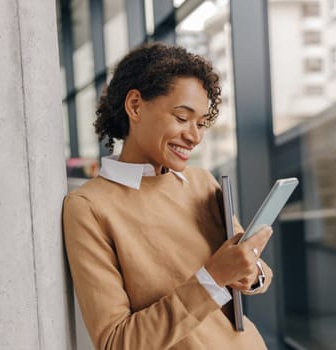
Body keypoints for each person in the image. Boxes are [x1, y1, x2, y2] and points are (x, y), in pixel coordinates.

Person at [63, 42, 274, 349]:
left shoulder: (202, 183)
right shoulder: (89, 208)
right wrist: (212, 278)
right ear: (135, 105)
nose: (195, 136)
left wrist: (250, 272)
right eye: (181, 117)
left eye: (201, 123)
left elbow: (256, 270)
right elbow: (115, 342)